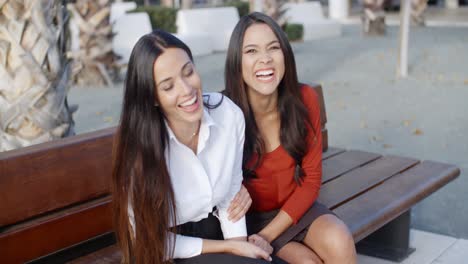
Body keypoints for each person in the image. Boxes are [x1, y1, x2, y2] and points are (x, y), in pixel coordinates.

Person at [111, 30, 272, 264]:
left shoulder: (228, 116)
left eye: (189, 72)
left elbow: (231, 198)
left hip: (213, 231)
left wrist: (241, 248)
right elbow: (148, 240)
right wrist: (230, 248)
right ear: (152, 97)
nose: (187, 89)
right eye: (168, 86)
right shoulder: (137, 149)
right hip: (163, 249)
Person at [224, 13, 357, 264]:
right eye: (251, 51)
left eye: (273, 48)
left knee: (339, 239)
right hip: (249, 220)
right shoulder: (225, 112)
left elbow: (311, 179)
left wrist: (268, 235)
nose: (265, 59)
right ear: (236, 62)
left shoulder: (304, 99)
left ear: (285, 54)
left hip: (296, 207)